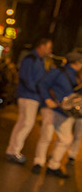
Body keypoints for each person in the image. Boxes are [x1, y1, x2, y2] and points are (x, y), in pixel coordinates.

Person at [31, 50, 82, 178]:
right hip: (51, 109)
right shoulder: (58, 72)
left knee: (65, 139)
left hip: (64, 112)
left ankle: (53, 165)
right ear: (76, 62)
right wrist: (47, 99)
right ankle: (39, 162)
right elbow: (42, 84)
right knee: (46, 136)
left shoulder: (76, 76)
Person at [5, 37, 53, 164]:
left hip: (31, 95)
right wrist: (38, 91)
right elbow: (26, 78)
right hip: (29, 96)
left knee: (22, 123)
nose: (50, 50)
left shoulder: (39, 60)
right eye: (48, 47)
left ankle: (12, 150)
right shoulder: (31, 59)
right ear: (42, 46)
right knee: (27, 123)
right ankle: (15, 151)